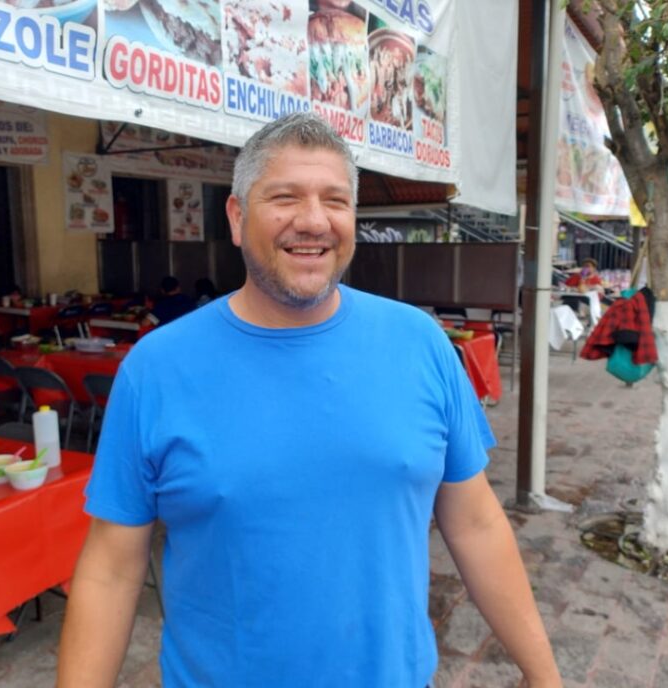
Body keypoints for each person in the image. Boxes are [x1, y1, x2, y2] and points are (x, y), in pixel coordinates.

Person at [57, 113, 560, 687]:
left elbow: (475, 525)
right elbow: (112, 571)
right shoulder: (157, 368)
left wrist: (546, 677)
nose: (313, 221)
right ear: (238, 218)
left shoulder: (420, 344)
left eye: (335, 200)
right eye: (285, 197)